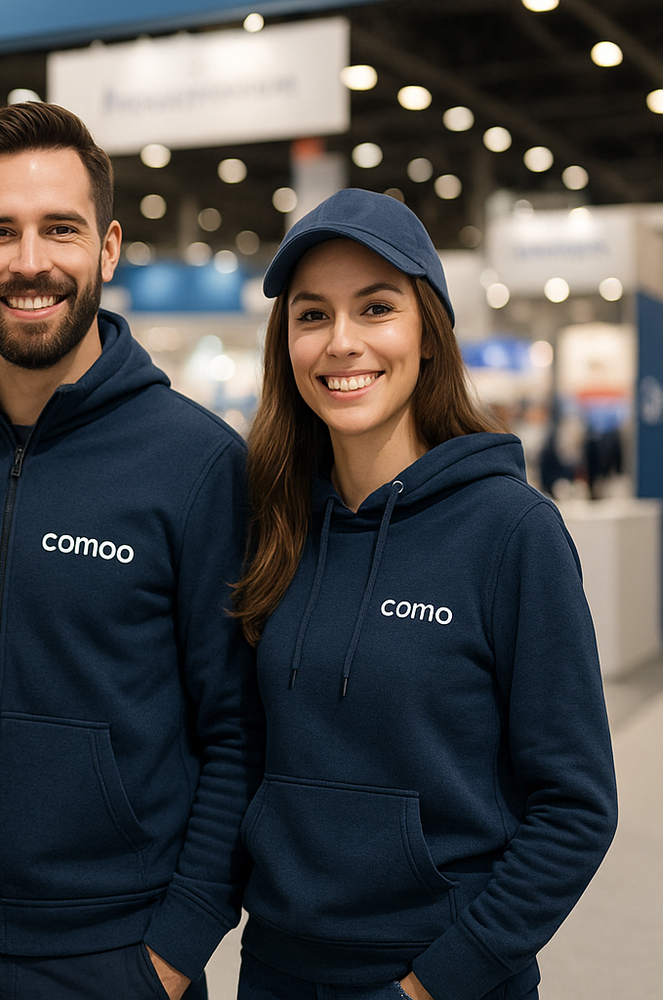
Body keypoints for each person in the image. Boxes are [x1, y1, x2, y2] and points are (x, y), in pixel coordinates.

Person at [0, 102, 262, 1000]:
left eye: (58, 229)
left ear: (105, 248)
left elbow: (238, 732)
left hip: (122, 956)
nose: (30, 263)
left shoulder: (198, 463)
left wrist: (173, 953)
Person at [233, 188, 618, 1000]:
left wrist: (432, 985)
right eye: (312, 316)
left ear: (429, 335)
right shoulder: (276, 525)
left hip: (443, 979)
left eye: (376, 309)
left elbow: (576, 808)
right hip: (277, 969)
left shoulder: (512, 533)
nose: (342, 344)